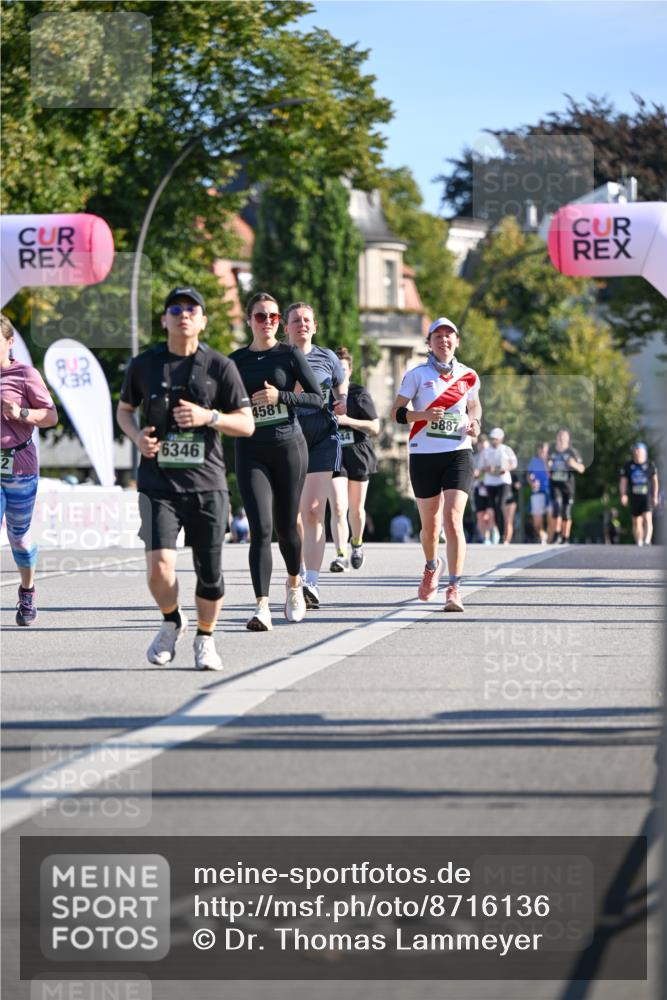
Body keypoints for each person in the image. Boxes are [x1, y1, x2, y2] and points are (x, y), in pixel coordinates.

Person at [117, 286, 254, 670]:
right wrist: (136, 435)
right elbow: (125, 409)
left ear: (203, 320)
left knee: (208, 572)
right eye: (175, 309)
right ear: (164, 320)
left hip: (207, 484)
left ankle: (206, 638)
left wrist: (208, 417)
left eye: (192, 309)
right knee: (160, 565)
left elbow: (246, 424)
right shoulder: (144, 365)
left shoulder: (220, 367)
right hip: (157, 482)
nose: (183, 315)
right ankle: (171, 619)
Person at [230, 293, 324, 631]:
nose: (267, 322)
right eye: (260, 316)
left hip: (288, 447)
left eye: (272, 317)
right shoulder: (235, 361)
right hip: (250, 450)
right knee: (260, 529)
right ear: (249, 320)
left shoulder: (289, 354)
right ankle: (262, 606)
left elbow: (317, 399)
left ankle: (295, 585)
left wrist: (280, 396)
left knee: (286, 526)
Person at [391, 316, 481, 612]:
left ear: (457, 341)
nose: (444, 340)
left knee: (453, 519)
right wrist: (423, 416)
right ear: (429, 343)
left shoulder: (469, 375)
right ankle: (432, 565)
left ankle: (454, 587)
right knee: (430, 527)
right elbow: (397, 413)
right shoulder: (416, 375)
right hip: (423, 454)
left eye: (449, 335)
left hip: (458, 452)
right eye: (438, 336)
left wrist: (475, 423)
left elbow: (474, 405)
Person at [284, 302, 348, 608]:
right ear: (286, 328)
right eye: (295, 320)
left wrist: (343, 400)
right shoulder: (278, 358)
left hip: (322, 435)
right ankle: (295, 575)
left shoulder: (328, 357)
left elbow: (340, 382)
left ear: (315, 326)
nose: (302, 324)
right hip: (287, 438)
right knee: (293, 516)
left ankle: (312, 581)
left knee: (312, 510)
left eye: (307, 320)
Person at [1, 314, 58, 625]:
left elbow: (51, 417)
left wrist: (21, 412)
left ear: (9, 343)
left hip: (19, 464)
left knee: (19, 538)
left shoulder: (24, 374)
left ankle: (27, 589)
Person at [327, 346, 379, 571]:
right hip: (333, 454)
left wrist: (348, 421)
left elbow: (375, 427)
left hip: (358, 453)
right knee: (338, 506)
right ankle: (340, 555)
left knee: (356, 510)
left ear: (349, 371)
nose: (339, 372)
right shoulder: (323, 394)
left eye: (343, 368)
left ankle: (357, 544)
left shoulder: (359, 394)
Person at [547, 428, 585, 544]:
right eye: (560, 436)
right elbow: (547, 465)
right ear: (557, 438)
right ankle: (557, 533)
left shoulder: (572, 452)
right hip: (555, 484)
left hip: (568, 486)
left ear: (568, 439)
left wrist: (573, 464)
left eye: (564, 437)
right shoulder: (552, 450)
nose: (561, 439)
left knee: (566, 511)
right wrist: (548, 466)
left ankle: (565, 537)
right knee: (556, 507)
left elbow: (582, 469)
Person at [480, 428, 518, 543]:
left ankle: (503, 534)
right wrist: (488, 469)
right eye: (492, 439)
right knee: (494, 508)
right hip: (490, 482)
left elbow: (514, 463)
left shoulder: (506, 449)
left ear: (501, 439)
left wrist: (506, 468)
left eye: (495, 439)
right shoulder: (486, 451)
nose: (493, 441)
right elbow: (481, 466)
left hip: (503, 481)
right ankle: (500, 533)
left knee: (500, 505)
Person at [619, 442, 659, 546]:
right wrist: (623, 494)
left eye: (639, 450)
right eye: (635, 450)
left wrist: (655, 495)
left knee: (647, 517)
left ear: (644, 453)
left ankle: (647, 540)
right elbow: (623, 481)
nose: (636, 453)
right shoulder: (628, 465)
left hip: (647, 496)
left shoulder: (650, 465)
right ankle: (639, 541)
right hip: (634, 496)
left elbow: (655, 481)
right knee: (636, 521)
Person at [472, 434, 494, 543]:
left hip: (491, 488)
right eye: (480, 446)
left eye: (484, 447)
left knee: (490, 514)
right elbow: (471, 473)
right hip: (478, 488)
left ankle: (493, 533)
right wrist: (476, 473)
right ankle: (486, 538)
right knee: (480, 515)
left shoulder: (492, 457)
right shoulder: (474, 458)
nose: (482, 449)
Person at [527, 442, 550, 544]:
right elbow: (528, 475)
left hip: (551, 493)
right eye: (541, 449)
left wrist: (546, 463)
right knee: (537, 521)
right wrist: (531, 482)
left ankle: (552, 537)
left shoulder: (552, 461)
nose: (542, 452)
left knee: (552, 517)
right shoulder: (533, 461)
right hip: (537, 492)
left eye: (544, 450)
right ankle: (543, 535)